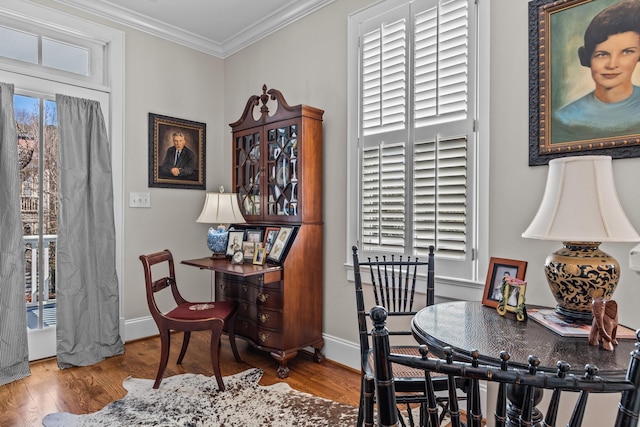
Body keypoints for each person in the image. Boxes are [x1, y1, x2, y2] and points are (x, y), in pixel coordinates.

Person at [553, 0, 640, 141]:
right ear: (586, 58)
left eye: (627, 52)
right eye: (602, 54)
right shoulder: (565, 117)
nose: (612, 65)